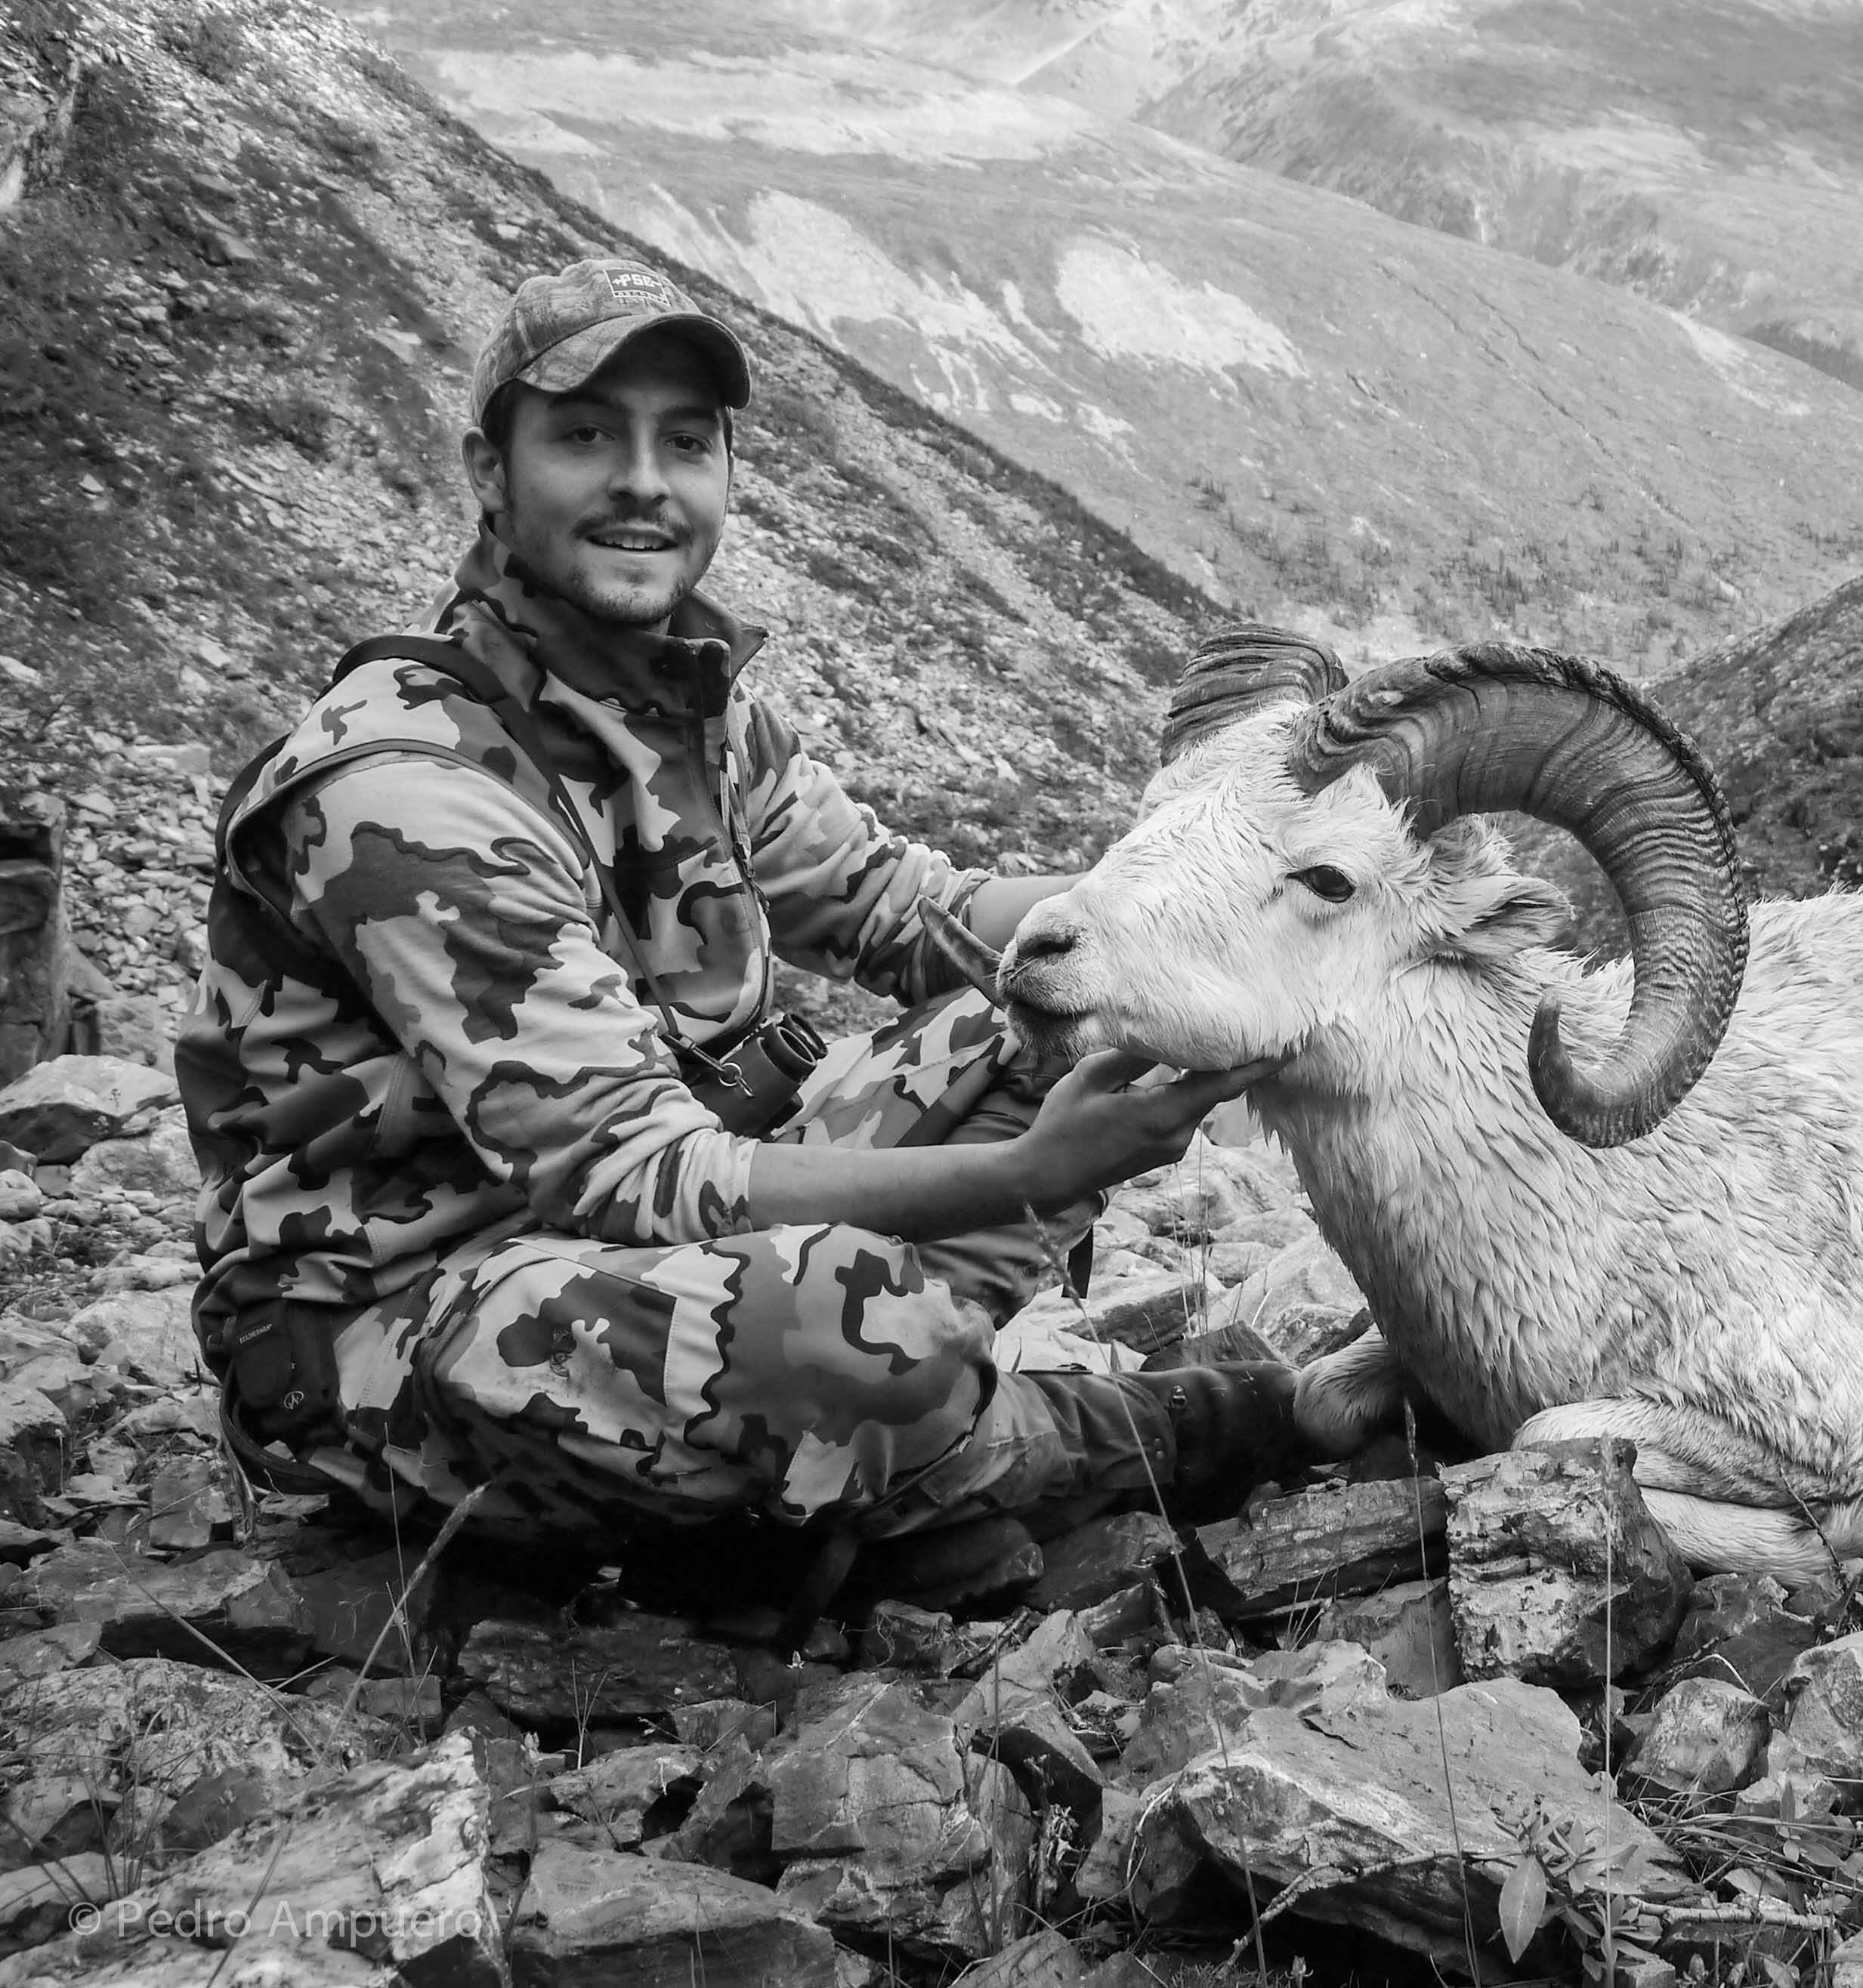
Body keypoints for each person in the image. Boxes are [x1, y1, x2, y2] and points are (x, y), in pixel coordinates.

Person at [179, 256, 1297, 1585]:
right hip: (394, 1321)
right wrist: (1031, 1174)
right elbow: (630, 1173)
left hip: (625, 1237)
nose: (643, 482)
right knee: (833, 1318)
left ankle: (826, 1471)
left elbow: (905, 911)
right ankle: (1126, 1437)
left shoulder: (685, 707)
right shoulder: (406, 794)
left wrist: (1187, 912)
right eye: (585, 437)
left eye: (685, 442)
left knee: (1042, 1014)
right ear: (490, 472)